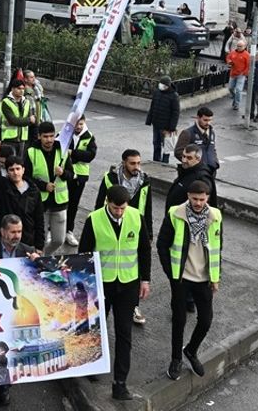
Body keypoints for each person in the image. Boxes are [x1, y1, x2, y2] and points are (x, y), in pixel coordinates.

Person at [78, 184, 151, 401]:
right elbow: (84, 252)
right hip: (102, 283)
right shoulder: (94, 219)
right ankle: (92, 366)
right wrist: (86, 285)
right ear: (107, 202)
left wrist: (145, 279)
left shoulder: (136, 217)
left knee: (124, 333)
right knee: (97, 327)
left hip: (128, 284)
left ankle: (120, 383)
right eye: (115, 208)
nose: (119, 212)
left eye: (122, 208)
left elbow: (144, 250)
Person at [156, 180, 221, 379]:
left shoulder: (215, 216)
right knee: (179, 320)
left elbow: (218, 247)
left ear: (207, 198)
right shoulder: (176, 214)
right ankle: (176, 359)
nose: (198, 203)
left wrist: (215, 277)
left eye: (202, 199)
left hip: (204, 279)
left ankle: (191, 350)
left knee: (206, 320)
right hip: (181, 278)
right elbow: (162, 245)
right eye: (195, 199)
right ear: (188, 197)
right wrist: (171, 273)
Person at [96, 149, 152, 325]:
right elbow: (99, 203)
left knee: (132, 269)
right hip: (112, 226)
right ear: (123, 163)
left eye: (138, 163)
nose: (137, 167)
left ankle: (133, 305)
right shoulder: (110, 179)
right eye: (132, 163)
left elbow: (147, 207)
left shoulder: (144, 181)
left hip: (135, 227)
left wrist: (148, 232)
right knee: (113, 265)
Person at [24, 121, 69, 255]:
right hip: (40, 203)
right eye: (45, 136)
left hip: (59, 202)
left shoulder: (63, 151)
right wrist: (44, 186)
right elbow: (26, 177)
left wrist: (63, 173)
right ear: (39, 136)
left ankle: (45, 255)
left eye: (51, 136)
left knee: (59, 240)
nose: (49, 140)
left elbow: (72, 175)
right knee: (39, 240)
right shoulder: (31, 152)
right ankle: (40, 258)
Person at [64, 116, 98, 246]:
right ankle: (53, 230)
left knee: (73, 204)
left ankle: (69, 231)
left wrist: (73, 153)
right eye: (76, 124)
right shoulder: (64, 133)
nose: (78, 127)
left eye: (81, 124)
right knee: (59, 203)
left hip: (79, 176)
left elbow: (90, 156)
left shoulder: (89, 137)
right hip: (65, 174)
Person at [145, 76, 179, 163]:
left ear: (168, 86)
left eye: (163, 85)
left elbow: (175, 113)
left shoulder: (174, 96)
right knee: (156, 143)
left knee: (166, 145)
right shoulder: (157, 92)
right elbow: (153, 107)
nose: (161, 86)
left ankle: (164, 162)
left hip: (166, 127)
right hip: (156, 124)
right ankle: (156, 160)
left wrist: (172, 127)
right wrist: (149, 120)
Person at [0, 79, 34, 145]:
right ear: (12, 89)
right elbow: (13, 121)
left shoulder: (26, 102)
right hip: (9, 138)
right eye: (19, 88)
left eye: (23, 88)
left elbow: (33, 118)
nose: (21, 91)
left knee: (20, 155)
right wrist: (29, 120)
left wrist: (30, 120)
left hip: (22, 139)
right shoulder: (6, 102)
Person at [225, 40, 250, 112]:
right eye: (238, 46)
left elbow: (248, 65)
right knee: (230, 88)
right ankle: (234, 97)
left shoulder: (246, 55)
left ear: (244, 47)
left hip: (241, 74)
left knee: (239, 90)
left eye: (240, 46)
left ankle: (237, 104)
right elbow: (228, 58)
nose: (239, 47)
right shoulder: (233, 52)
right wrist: (229, 61)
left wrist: (245, 73)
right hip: (233, 73)